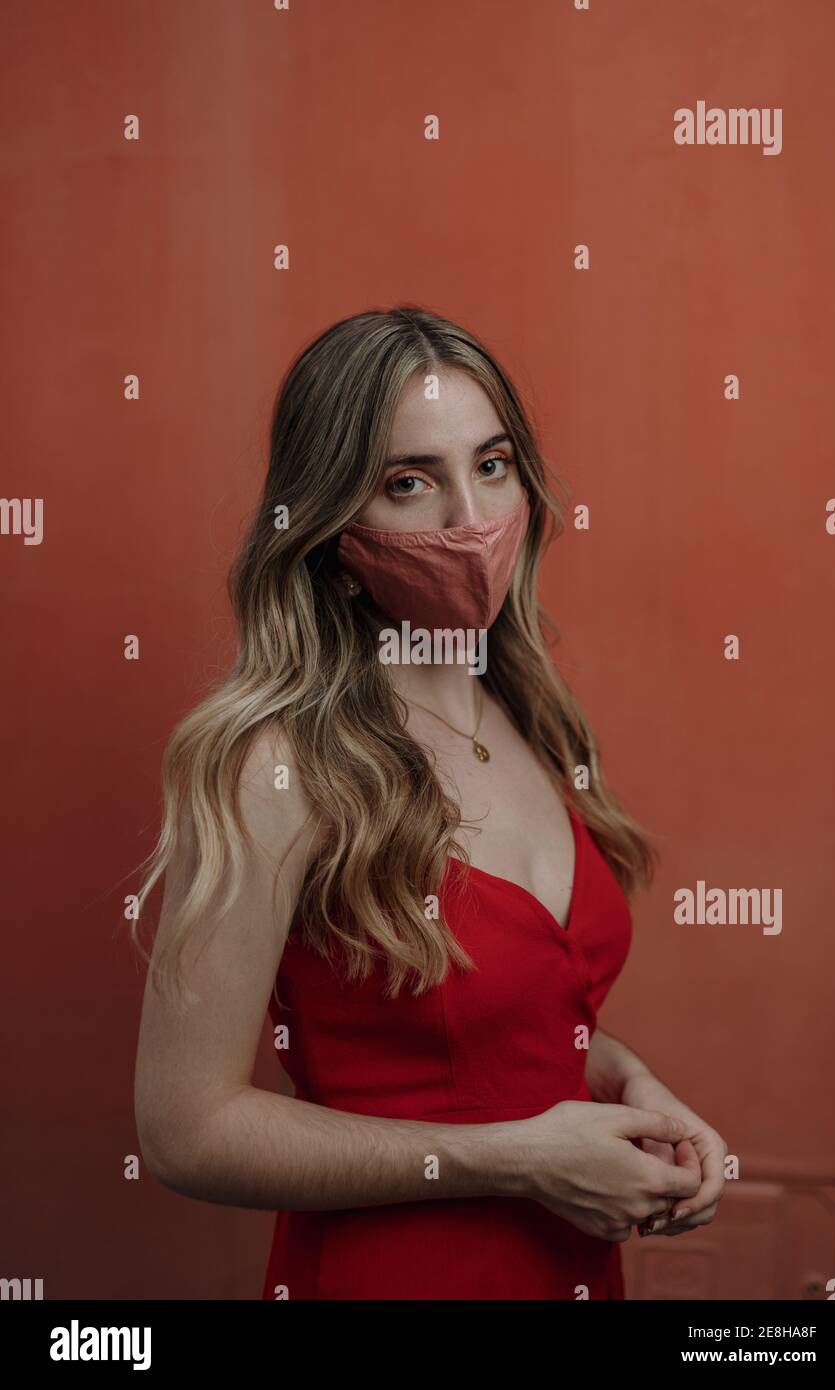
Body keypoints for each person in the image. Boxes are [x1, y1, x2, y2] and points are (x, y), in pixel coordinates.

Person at [132, 305, 725, 1300]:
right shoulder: (274, 763)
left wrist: (624, 1084)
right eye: (410, 482)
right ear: (326, 525)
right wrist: (516, 1159)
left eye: (490, 465)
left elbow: (500, 1022)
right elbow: (185, 1129)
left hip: (570, 1271)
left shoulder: (531, 712)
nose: (469, 515)